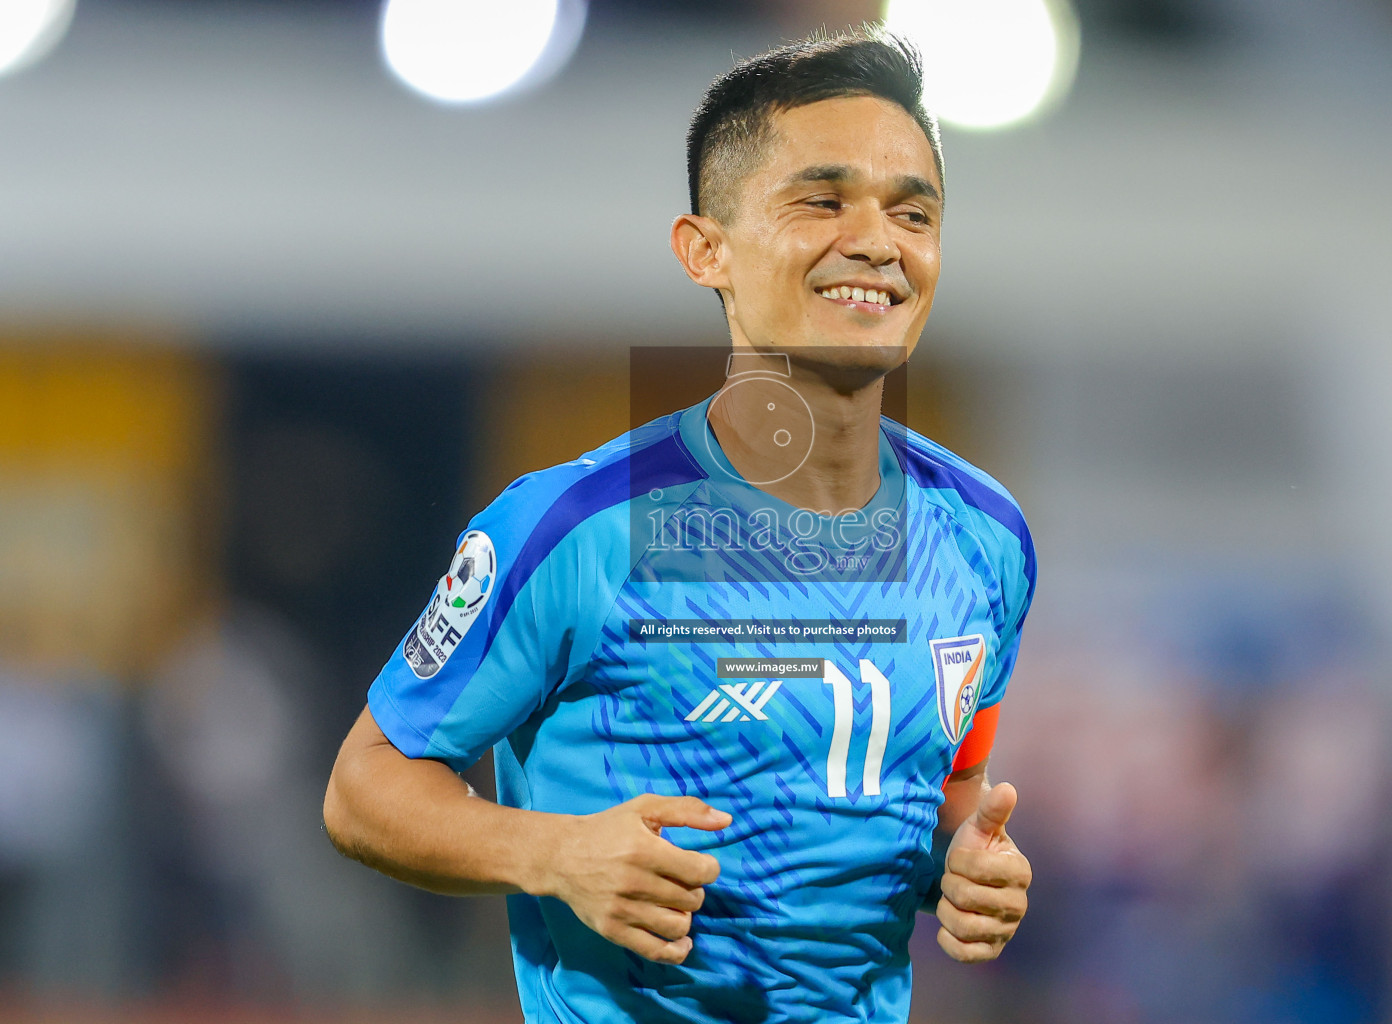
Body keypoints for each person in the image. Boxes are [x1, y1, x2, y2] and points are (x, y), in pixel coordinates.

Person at [324, 28, 1037, 1024]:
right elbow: (364, 785)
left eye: (912, 211)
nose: (878, 241)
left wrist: (962, 862)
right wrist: (554, 853)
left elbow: (947, 780)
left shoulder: (987, 536)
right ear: (707, 251)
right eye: (823, 201)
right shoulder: (577, 529)